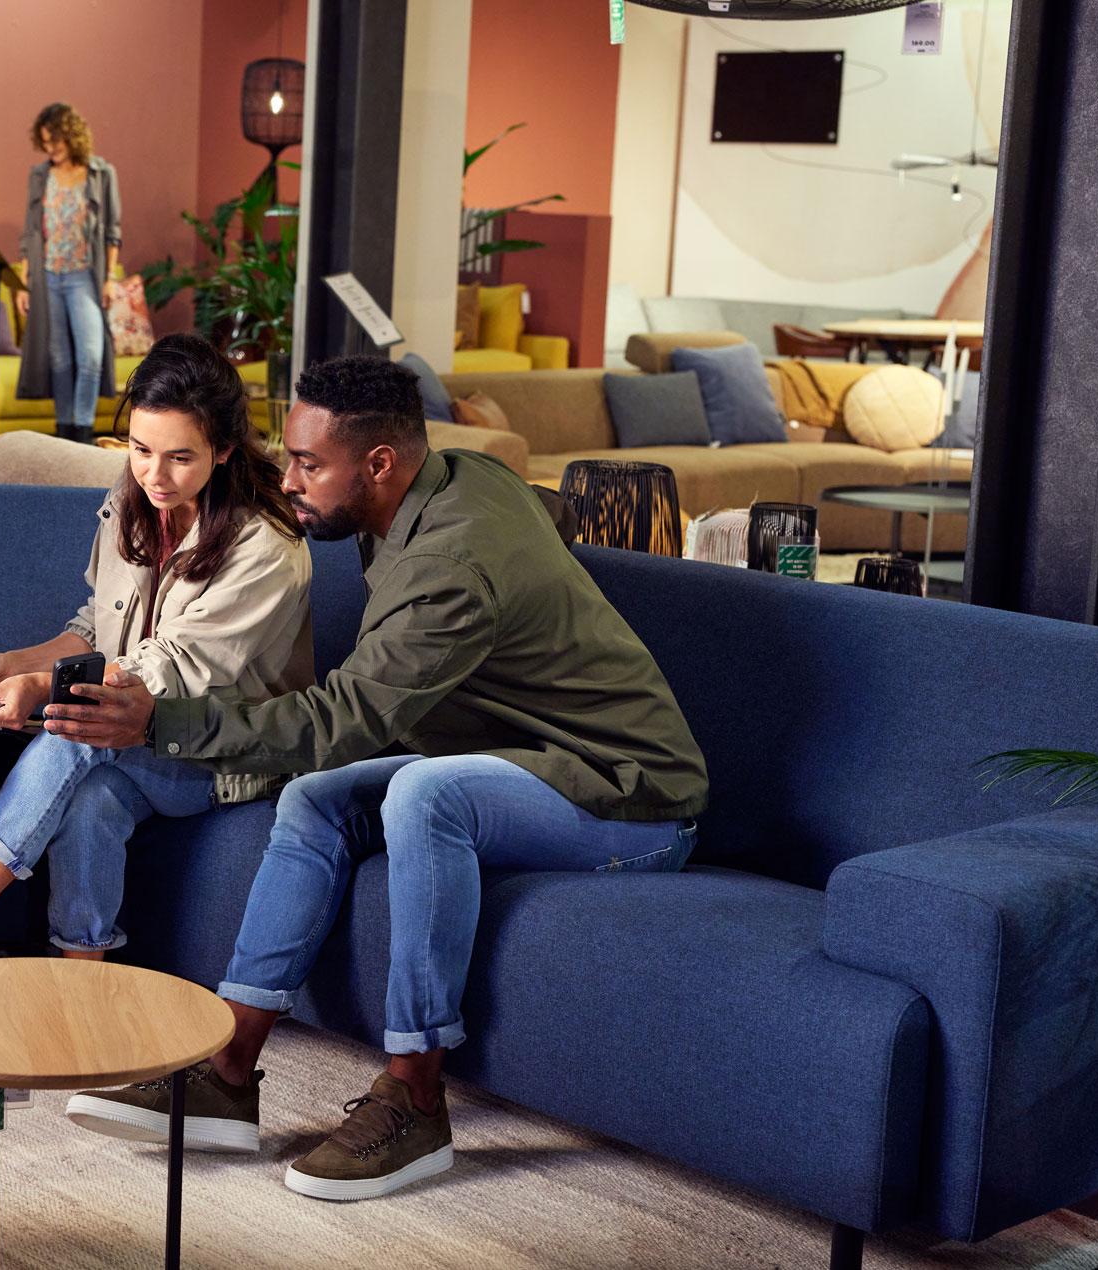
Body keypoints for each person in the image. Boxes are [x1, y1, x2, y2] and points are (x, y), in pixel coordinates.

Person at [41, 354, 710, 1201]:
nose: (286, 481)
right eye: (289, 456)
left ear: (381, 464)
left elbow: (336, 722)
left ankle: (416, 1098)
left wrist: (160, 721)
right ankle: (229, 1071)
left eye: (309, 465)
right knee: (320, 799)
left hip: (630, 797)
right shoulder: (444, 482)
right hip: (516, 760)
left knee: (421, 794)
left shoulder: (453, 562)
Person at [0, 334, 313, 996]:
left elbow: (167, 666)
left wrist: (41, 689)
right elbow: (97, 624)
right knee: (91, 802)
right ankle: (80, 995)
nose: (155, 475)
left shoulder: (267, 548)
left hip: (226, 754)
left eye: (181, 457)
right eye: (142, 451)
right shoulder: (135, 502)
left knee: (76, 733)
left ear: (225, 450)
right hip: (142, 739)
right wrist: (18, 661)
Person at [16, 102, 122, 444]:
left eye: (56, 142)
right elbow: (30, 232)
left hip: (83, 277)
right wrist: (23, 284)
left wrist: (109, 280)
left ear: (71, 136)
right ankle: (64, 432)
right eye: (45, 143)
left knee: (90, 356)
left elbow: (112, 231)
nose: (50, 150)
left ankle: (83, 429)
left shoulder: (101, 174)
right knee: (59, 357)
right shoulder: (39, 176)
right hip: (48, 278)